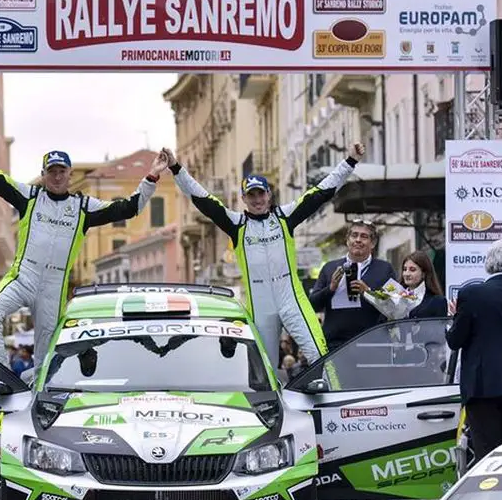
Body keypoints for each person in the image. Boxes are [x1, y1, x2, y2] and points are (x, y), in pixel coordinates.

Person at [0, 120, 168, 366]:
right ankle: (1, 377)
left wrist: (152, 176)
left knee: (45, 356)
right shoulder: (29, 197)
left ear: (70, 174)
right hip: (23, 277)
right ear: (43, 175)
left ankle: (36, 391)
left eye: (62, 171)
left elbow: (129, 208)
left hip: (54, 286)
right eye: (52, 171)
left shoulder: (83, 207)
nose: (57, 177)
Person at [164, 144, 365, 365]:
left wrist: (350, 161)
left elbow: (321, 192)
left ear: (269, 195)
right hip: (261, 305)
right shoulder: (236, 224)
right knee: (264, 367)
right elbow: (202, 198)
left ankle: (326, 392)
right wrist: (175, 167)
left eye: (261, 194)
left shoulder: (284, 217)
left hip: (291, 299)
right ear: (243, 198)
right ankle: (272, 399)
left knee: (318, 352)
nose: (257, 200)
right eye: (252, 196)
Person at [446, 239, 502, 462]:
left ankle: (488, 496)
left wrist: (453, 319)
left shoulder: (472, 294)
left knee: (486, 454)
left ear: (489, 264)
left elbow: (455, 340)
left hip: (482, 385)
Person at [309, 220, 397, 350]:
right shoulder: (330, 268)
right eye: (354, 235)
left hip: (373, 344)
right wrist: (331, 288)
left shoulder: (385, 269)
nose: (358, 240)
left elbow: (394, 307)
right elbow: (312, 306)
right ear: (347, 240)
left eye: (364, 236)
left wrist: (368, 292)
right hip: (335, 345)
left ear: (373, 243)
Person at [364, 250, 448, 320]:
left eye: (412, 270)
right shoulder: (393, 297)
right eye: (405, 269)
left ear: (424, 274)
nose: (407, 274)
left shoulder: (437, 301)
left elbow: (438, 333)